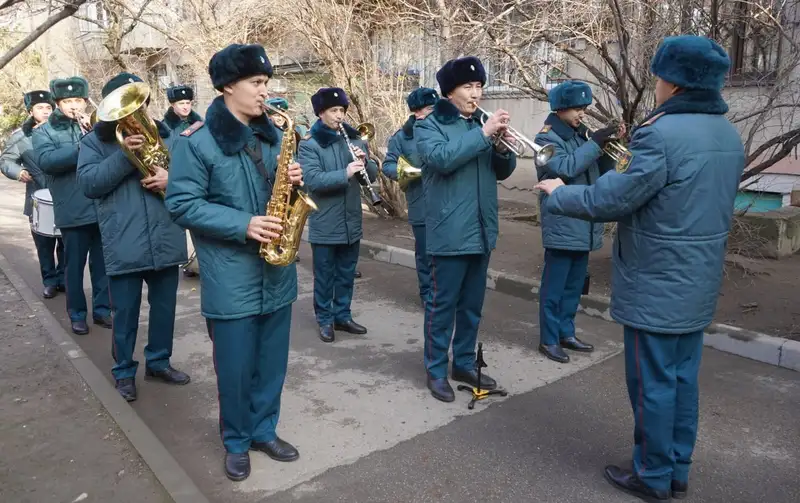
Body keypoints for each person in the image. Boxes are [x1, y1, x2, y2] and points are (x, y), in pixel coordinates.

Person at [535, 35, 744, 501]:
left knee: (651, 383)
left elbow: (613, 197)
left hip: (656, 279)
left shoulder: (661, 133)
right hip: (698, 278)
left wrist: (558, 193)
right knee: (682, 379)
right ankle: (677, 468)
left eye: (658, 78)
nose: (655, 86)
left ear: (673, 82)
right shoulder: (727, 134)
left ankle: (651, 475)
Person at [165, 43, 303, 482]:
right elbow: (182, 203)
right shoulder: (197, 141)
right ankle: (237, 442)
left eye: (266, 82)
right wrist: (243, 224)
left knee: (272, 365)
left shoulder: (274, 134)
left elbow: (283, 194)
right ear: (227, 86)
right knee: (236, 370)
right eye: (257, 83)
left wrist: (296, 183)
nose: (265, 92)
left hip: (276, 272)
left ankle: (264, 430)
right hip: (230, 277)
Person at [77, 72, 191, 402]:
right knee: (124, 314)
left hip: (166, 236)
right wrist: (125, 155)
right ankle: (124, 371)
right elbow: (90, 185)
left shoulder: (168, 135)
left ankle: (159, 362)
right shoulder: (93, 143)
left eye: (139, 104)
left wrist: (172, 180)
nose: (134, 113)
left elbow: (190, 180)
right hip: (123, 241)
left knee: (164, 309)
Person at [414, 56, 517, 402]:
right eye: (468, 87)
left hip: (482, 229)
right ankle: (435, 368)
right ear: (449, 92)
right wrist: (485, 135)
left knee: (472, 306)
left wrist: (501, 147)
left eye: (479, 86)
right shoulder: (428, 126)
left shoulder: (481, 124)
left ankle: (465, 362)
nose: (477, 93)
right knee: (442, 305)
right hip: (449, 231)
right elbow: (442, 159)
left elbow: (501, 171)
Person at [534, 80, 622, 364]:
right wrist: (595, 143)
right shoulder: (546, 139)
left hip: (584, 222)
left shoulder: (580, 135)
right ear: (560, 109)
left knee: (574, 287)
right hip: (562, 222)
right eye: (577, 109)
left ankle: (566, 332)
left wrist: (611, 146)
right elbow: (566, 168)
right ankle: (548, 339)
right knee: (554, 287)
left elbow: (600, 169)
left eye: (584, 109)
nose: (582, 114)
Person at [32, 76, 111, 335]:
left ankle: (102, 310)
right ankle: (77, 314)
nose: (73, 106)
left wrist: (98, 133)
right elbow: (47, 161)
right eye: (67, 101)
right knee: (74, 268)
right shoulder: (44, 131)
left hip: (100, 205)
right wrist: (84, 145)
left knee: (103, 266)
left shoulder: (95, 125)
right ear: (57, 103)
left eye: (77, 100)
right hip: (72, 209)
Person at [299, 87, 378, 343]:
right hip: (325, 222)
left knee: (346, 273)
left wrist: (365, 163)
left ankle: (342, 315)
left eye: (342, 110)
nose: (339, 116)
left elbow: (372, 177)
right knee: (324, 276)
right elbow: (312, 180)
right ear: (321, 113)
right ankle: (325, 319)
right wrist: (345, 173)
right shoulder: (310, 145)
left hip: (351, 220)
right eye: (334, 111)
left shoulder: (353, 140)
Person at [1, 90, 65, 299]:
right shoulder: (21, 137)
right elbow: (6, 160)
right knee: (44, 244)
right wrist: (18, 172)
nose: (45, 111)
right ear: (30, 111)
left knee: (66, 242)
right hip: (38, 197)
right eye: (40, 108)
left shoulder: (62, 131)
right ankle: (49, 281)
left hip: (65, 195)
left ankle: (64, 279)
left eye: (48, 107)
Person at [382, 87, 438, 309]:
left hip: (447, 204)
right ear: (416, 113)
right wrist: (408, 173)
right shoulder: (403, 137)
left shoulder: (445, 130)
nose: (432, 114)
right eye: (427, 110)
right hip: (420, 202)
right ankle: (427, 295)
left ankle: (445, 294)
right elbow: (388, 165)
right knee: (425, 254)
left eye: (434, 109)